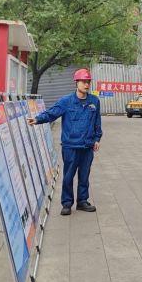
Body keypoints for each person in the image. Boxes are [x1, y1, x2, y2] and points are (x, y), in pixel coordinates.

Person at [28, 68, 102, 216]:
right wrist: (37, 119)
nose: (86, 85)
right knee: (68, 175)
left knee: (84, 175)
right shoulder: (66, 101)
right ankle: (67, 203)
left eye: (88, 82)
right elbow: (52, 113)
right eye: (83, 81)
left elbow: (97, 122)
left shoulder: (94, 101)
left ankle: (82, 201)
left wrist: (97, 138)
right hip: (70, 146)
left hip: (87, 146)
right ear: (76, 82)